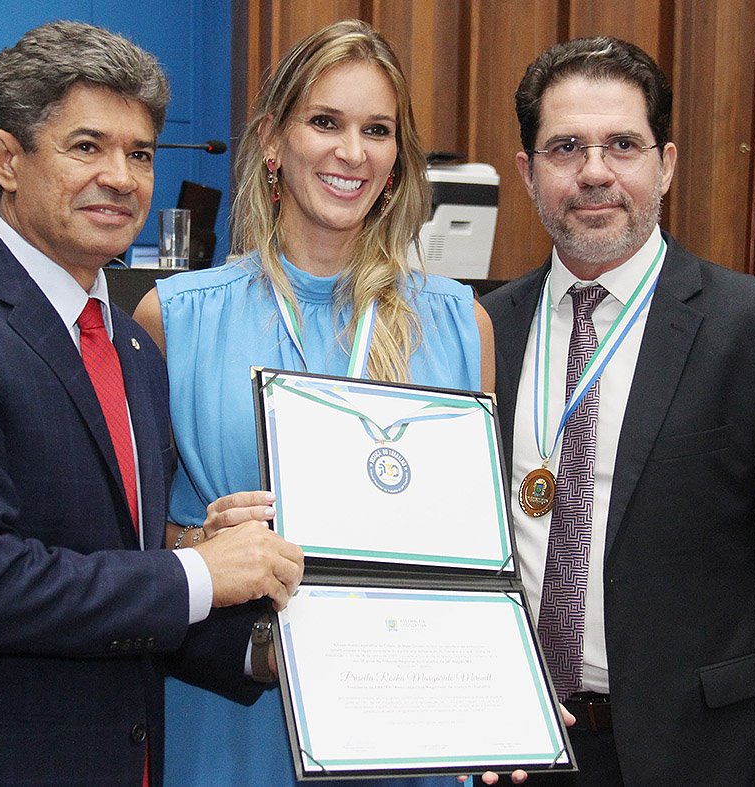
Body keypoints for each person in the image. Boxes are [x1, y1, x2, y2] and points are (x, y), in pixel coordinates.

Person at [0, 20, 302, 785]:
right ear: (5, 159)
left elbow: (121, 579)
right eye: (87, 146)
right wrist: (199, 573)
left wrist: (274, 650)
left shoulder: (133, 347)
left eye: (140, 153)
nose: (120, 177)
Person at [482, 37, 755, 785]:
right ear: (528, 173)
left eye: (621, 145)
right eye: (566, 148)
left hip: (701, 757)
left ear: (665, 164)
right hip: (517, 750)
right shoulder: (484, 330)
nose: (594, 171)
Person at [134, 19, 493, 786]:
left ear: (397, 159)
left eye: (376, 130)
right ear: (272, 140)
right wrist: (202, 540)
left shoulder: (462, 324)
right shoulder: (176, 316)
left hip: (408, 716)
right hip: (236, 714)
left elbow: (480, 555)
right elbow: (125, 544)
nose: (351, 152)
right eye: (325, 121)